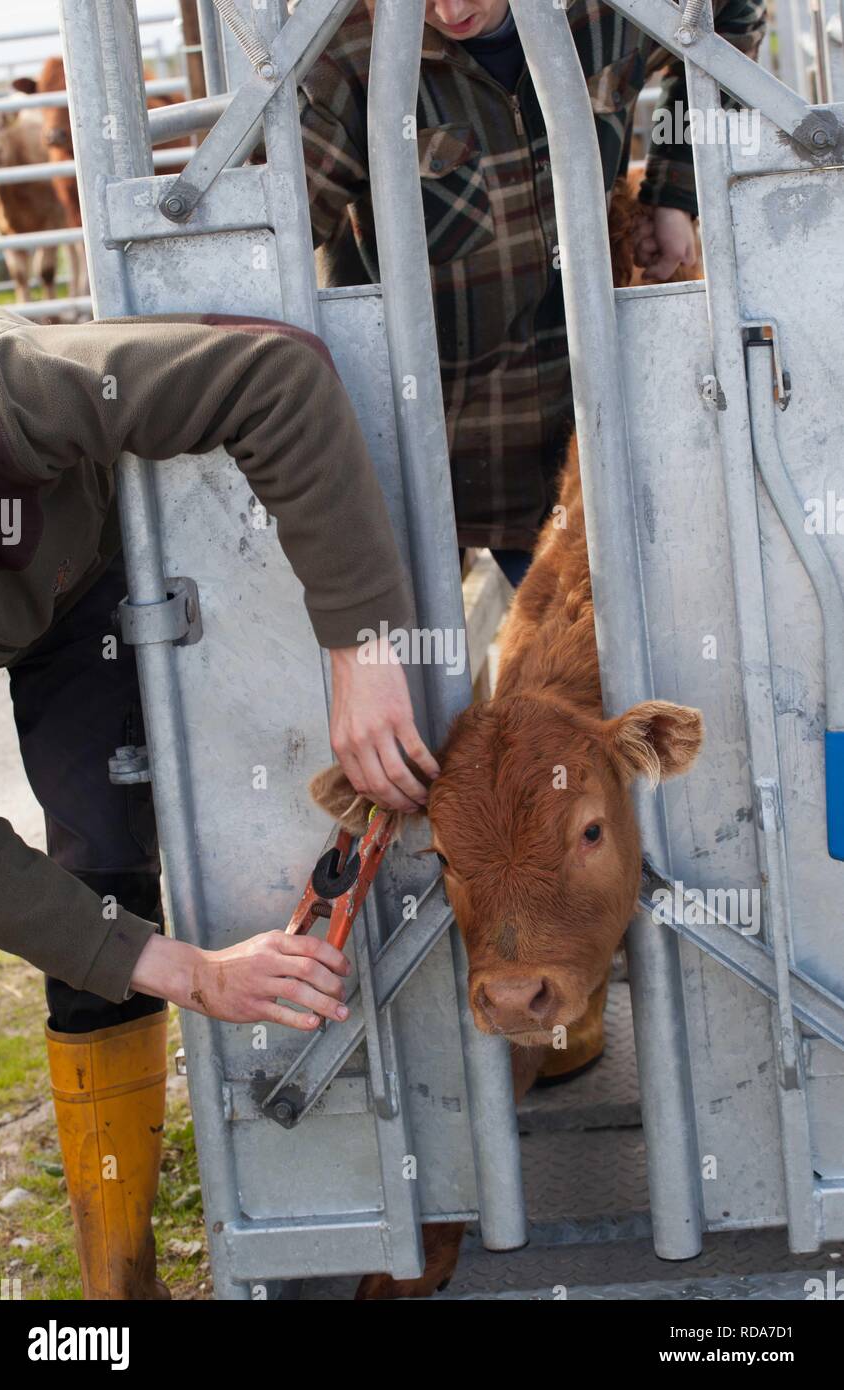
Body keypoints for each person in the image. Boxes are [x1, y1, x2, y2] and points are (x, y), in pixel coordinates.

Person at [296, 0, 766, 1080]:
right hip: (422, 469)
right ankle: (437, 1092)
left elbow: (731, 20)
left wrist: (679, 197)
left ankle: (591, 1023)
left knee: (578, 742)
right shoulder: (354, 62)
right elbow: (263, 229)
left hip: (582, 446)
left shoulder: (606, 12)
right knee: (433, 753)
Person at [0, 298, 438, 1297]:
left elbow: (273, 375)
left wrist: (363, 645)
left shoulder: (9, 389)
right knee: (92, 898)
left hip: (93, 563)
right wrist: (194, 973)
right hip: (17, 595)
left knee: (99, 838)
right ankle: (120, 1269)